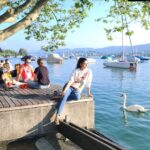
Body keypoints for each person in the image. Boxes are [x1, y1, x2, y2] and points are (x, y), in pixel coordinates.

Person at [55, 57, 93, 123]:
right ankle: (57, 116)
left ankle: (60, 97)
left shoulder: (89, 71)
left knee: (77, 98)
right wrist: (64, 91)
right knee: (64, 97)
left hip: (77, 90)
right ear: (81, 64)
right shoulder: (76, 70)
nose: (86, 65)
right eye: (85, 63)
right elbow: (70, 81)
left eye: (87, 63)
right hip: (70, 87)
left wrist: (89, 93)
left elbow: (88, 83)